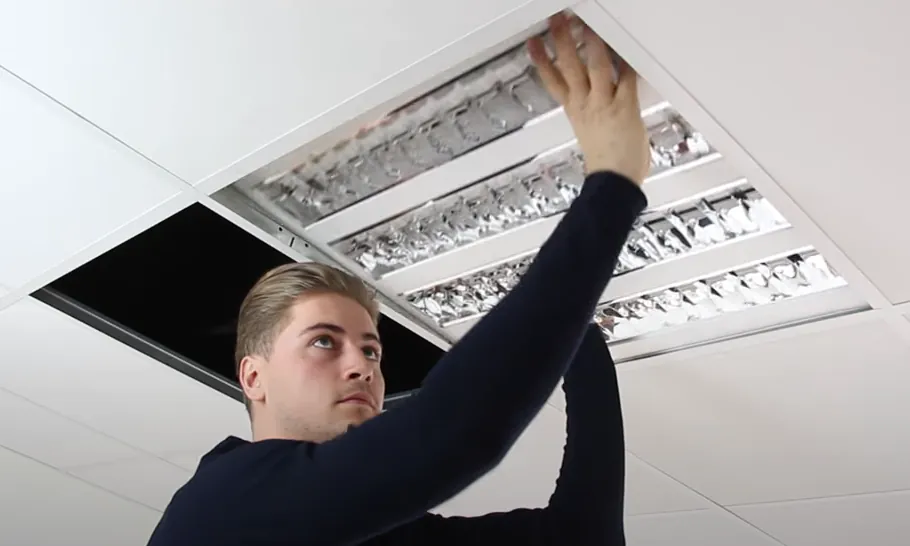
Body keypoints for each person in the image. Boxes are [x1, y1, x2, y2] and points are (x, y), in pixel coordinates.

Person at [147, 12, 651, 546]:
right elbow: (451, 434)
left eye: (371, 350)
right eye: (324, 342)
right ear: (253, 378)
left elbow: (583, 534)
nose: (363, 368)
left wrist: (579, 336)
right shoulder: (221, 507)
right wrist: (614, 185)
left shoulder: (377, 532)